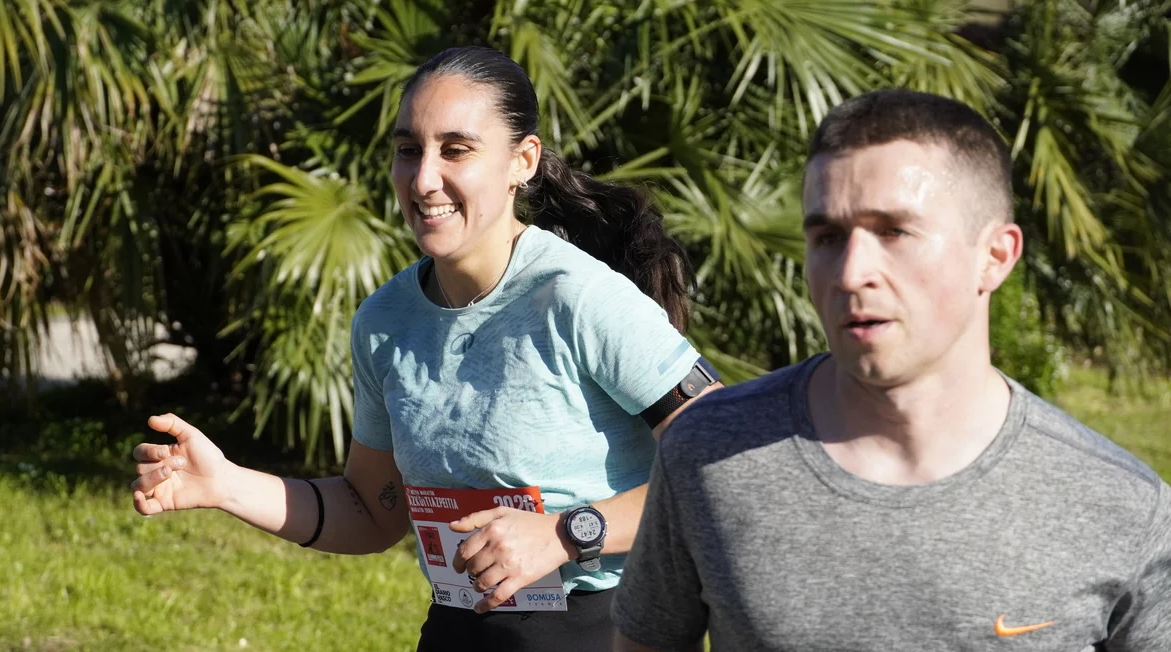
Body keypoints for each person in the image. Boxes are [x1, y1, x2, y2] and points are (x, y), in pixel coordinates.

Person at [129, 46, 722, 651]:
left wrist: (566, 533)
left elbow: (723, 464)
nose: (423, 179)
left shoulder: (578, 297)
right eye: (409, 149)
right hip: (456, 633)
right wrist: (226, 484)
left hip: (606, 633)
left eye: (456, 150)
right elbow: (371, 510)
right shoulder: (384, 320)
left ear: (522, 161)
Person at [610, 89, 1171, 651]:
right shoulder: (707, 453)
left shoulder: (1120, 504)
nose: (851, 272)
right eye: (827, 237)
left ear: (995, 257)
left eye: (894, 232)